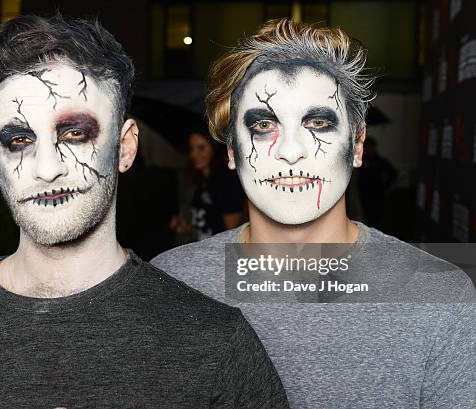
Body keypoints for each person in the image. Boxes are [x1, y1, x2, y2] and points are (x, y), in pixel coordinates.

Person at [0, 15, 289, 408]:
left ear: (125, 147)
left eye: (74, 133)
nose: (46, 167)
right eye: (18, 140)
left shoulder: (216, 345)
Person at [152, 19, 476, 408]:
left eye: (318, 123)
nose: (290, 151)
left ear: (357, 146)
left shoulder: (440, 297)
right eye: (264, 125)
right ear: (233, 151)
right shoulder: (169, 285)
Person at [169, 130, 244, 241]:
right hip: (200, 250)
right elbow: (204, 226)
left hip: (217, 254)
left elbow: (232, 234)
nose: (194, 154)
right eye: (191, 149)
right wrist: (185, 229)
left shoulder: (226, 181)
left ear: (214, 149)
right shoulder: (199, 180)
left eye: (201, 148)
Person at [357, 137, 398, 229]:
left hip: (377, 194)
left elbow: (393, 173)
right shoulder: (362, 160)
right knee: (367, 217)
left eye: (369, 147)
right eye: (366, 147)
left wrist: (385, 186)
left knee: (377, 218)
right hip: (365, 194)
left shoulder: (380, 161)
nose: (367, 149)